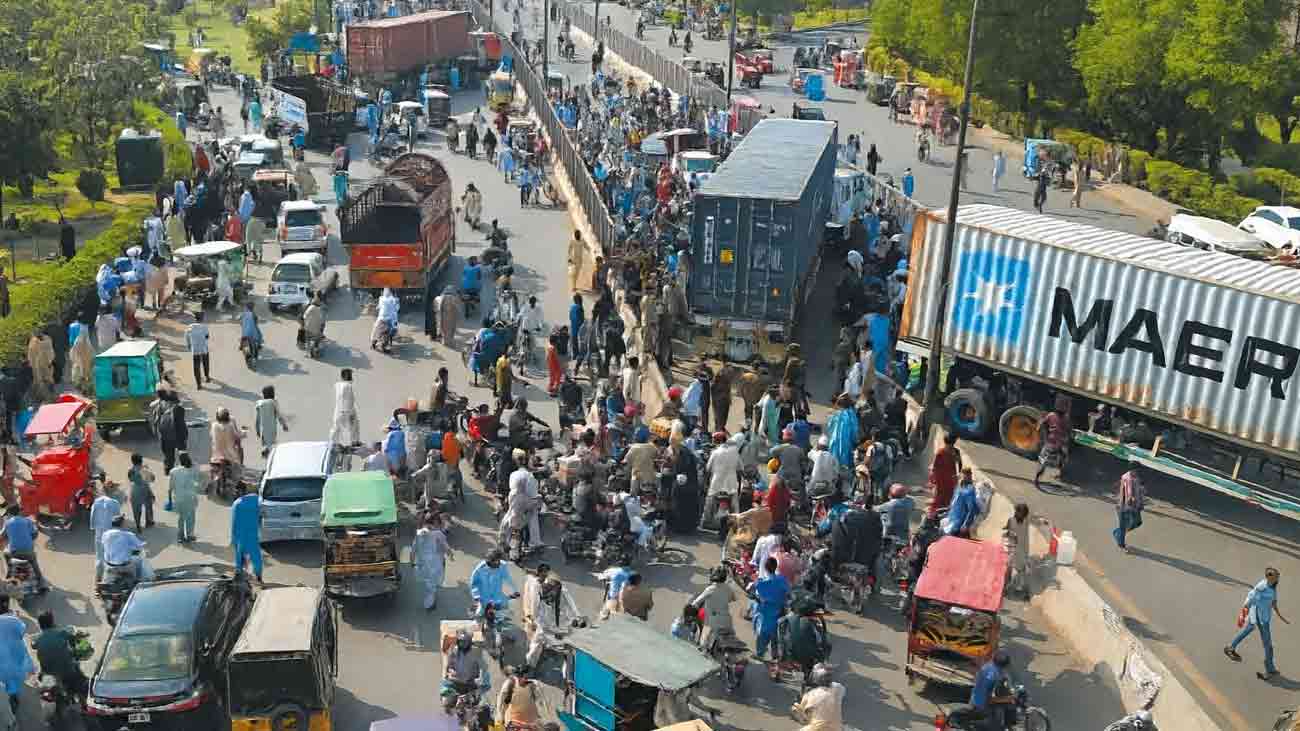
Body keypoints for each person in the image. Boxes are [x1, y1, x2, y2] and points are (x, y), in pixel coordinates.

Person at [1226, 567, 1289, 679]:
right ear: (1268, 577)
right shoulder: (1262, 587)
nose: (1277, 579)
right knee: (1268, 645)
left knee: (1248, 630)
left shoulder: (1272, 586)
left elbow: (1273, 600)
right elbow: (1252, 598)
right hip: (1260, 617)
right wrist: (1244, 612)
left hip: (1263, 616)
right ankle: (1269, 669)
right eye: (1276, 577)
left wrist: (1278, 612)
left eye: (1278, 577)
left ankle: (1231, 647)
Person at [523, 575, 581, 669]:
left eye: (549, 596)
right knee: (535, 645)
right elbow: (536, 610)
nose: (547, 599)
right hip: (544, 625)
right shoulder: (540, 593)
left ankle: (570, 670)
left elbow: (573, 611)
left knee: (568, 648)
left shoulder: (564, 594)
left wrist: (575, 620)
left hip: (561, 625)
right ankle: (530, 665)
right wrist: (534, 621)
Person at [33, 611, 88, 704]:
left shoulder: (38, 638)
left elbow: (33, 645)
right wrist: (82, 635)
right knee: (83, 682)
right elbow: (74, 637)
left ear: (40, 625)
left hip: (48, 672)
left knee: (42, 680)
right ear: (52, 622)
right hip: (67, 670)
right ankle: (84, 704)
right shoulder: (61, 632)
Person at [750, 557, 790, 659]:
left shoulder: (761, 583)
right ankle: (775, 655)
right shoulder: (782, 579)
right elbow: (788, 593)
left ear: (765, 568)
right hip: (780, 613)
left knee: (762, 636)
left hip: (766, 615)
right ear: (775, 567)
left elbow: (756, 595)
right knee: (776, 637)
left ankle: (760, 654)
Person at [412, 511, 452, 610]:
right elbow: (446, 547)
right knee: (432, 584)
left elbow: (413, 549)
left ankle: (431, 599)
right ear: (435, 523)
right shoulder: (438, 533)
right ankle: (430, 603)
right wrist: (450, 554)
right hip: (435, 563)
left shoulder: (419, 533)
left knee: (429, 583)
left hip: (423, 564)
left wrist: (412, 562)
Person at [0, 504, 46, 589]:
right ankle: (41, 583)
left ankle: (9, 574)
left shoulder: (7, 523)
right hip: (28, 550)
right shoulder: (27, 521)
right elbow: (34, 534)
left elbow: (2, 536)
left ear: (9, 513)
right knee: (35, 565)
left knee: (6, 554)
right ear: (20, 511)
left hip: (14, 552)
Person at [0, 596, 33, 710]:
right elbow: (22, 631)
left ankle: (10, 699)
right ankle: (13, 696)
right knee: (14, 678)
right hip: (15, 657)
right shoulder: (13, 619)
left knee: (6, 680)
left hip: (2, 663)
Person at [792, 664, 845, 731]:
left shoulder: (811, 694)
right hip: (837, 727)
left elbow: (803, 713)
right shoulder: (838, 687)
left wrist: (796, 708)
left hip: (817, 727)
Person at [971, 650, 1016, 728]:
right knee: (997, 725)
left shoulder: (988, 666)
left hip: (976, 696)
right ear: (1004, 666)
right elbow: (991, 699)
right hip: (982, 705)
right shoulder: (994, 677)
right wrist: (1008, 699)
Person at [704, 432, 741, 527]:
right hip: (731, 484)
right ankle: (736, 523)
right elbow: (740, 468)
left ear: (717, 441)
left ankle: (706, 521)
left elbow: (708, 468)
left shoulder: (715, 452)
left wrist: (706, 483)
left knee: (709, 501)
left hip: (716, 483)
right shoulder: (735, 452)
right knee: (735, 506)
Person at [441, 629, 488, 703]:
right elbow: (448, 666)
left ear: (469, 641)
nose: (463, 644)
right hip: (456, 681)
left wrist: (480, 678)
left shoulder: (476, 651)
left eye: (465, 641)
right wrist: (450, 671)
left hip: (471, 683)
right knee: (446, 701)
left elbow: (483, 667)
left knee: (479, 704)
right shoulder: (453, 650)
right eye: (461, 641)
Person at [101, 515, 152, 582]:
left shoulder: (105, 534)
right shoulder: (128, 535)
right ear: (122, 524)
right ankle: (139, 580)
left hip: (109, 564)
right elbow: (139, 546)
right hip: (124, 565)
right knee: (139, 559)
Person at [470, 549, 520, 615]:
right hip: (483, 597)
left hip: (497, 596)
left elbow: (508, 579)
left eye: (499, 560)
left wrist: (515, 590)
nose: (499, 563)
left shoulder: (502, 566)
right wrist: (476, 596)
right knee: (480, 614)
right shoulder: (480, 568)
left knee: (499, 614)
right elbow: (474, 583)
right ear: (490, 561)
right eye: (496, 561)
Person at [230, 484, 263, 582]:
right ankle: (258, 576)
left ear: (239, 491)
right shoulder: (258, 501)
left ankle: (238, 574)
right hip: (253, 534)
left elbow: (234, 523)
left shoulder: (237, 503)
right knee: (256, 556)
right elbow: (262, 517)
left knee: (239, 556)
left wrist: (233, 539)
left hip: (240, 535)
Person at [1033, 404, 1069, 489]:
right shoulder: (1066, 418)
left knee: (1043, 461)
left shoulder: (1051, 415)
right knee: (1063, 456)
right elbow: (1068, 431)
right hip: (1060, 443)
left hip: (1050, 442)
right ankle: (1060, 473)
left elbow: (1040, 425)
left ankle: (1037, 479)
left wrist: (1042, 434)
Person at [89, 489, 122, 581]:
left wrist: (92, 526)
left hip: (99, 532)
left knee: (99, 557)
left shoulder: (97, 502)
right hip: (111, 532)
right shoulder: (114, 503)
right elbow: (117, 518)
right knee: (110, 556)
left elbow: (92, 515)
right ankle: (110, 579)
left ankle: (98, 580)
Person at [168, 452, 201, 543]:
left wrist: (170, 501)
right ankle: (190, 535)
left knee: (181, 518)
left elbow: (170, 488)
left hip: (179, 499)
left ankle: (180, 536)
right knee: (191, 517)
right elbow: (198, 476)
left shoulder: (173, 471)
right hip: (190, 498)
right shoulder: (193, 470)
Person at [1113, 460, 1145, 552]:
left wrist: (1140, 502)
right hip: (1124, 506)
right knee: (1123, 527)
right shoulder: (1128, 478)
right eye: (1138, 469)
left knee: (1137, 522)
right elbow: (1129, 492)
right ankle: (1121, 544)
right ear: (1133, 470)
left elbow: (1139, 491)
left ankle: (1117, 533)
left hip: (1135, 505)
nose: (1139, 471)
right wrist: (1131, 499)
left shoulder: (1136, 477)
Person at [929, 431, 962, 516]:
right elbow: (960, 464)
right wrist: (958, 475)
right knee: (949, 494)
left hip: (942, 477)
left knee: (940, 494)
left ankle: (936, 512)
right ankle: (944, 511)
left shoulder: (940, 452)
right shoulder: (956, 451)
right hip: (950, 477)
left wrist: (933, 478)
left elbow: (935, 466)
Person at [253, 385, 290, 458]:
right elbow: (279, 415)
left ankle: (267, 452)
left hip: (263, 430)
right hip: (272, 429)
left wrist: (257, 429)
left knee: (268, 445)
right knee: (271, 447)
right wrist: (284, 425)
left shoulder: (259, 404)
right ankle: (269, 461)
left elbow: (257, 419)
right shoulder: (273, 402)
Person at [1003, 502, 1031, 597]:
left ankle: (1020, 587)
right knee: (1010, 567)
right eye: (1021, 513)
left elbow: (1035, 519)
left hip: (1023, 548)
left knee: (1021, 568)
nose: (1022, 515)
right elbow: (1007, 530)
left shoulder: (1026, 520)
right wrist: (1008, 534)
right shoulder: (1011, 520)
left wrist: (1042, 521)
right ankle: (1006, 587)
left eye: (1024, 514)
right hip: (1013, 548)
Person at [330, 369, 360, 447]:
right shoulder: (348, 386)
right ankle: (354, 442)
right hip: (347, 410)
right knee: (354, 426)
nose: (351, 376)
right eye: (350, 374)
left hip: (338, 410)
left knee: (336, 426)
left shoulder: (337, 384)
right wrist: (351, 413)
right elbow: (350, 400)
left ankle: (333, 443)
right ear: (346, 376)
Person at [126, 453, 156, 532]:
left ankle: (138, 525)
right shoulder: (145, 470)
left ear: (132, 461)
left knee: (136, 509)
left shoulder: (130, 470)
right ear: (141, 461)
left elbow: (131, 479)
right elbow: (153, 479)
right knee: (148, 506)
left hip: (135, 491)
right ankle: (148, 522)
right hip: (145, 490)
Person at [185, 310, 211, 388]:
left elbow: (187, 337)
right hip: (204, 348)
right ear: (202, 319)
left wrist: (189, 345)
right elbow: (207, 337)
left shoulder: (189, 327)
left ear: (195, 319)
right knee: (205, 363)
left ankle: (198, 384)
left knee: (196, 367)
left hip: (195, 349)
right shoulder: (204, 327)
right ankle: (207, 377)